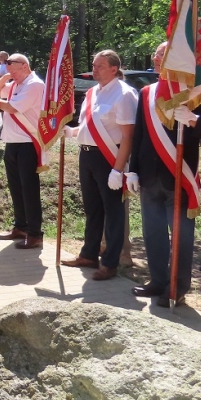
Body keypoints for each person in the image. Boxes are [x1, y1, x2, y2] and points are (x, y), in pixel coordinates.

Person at [126, 42, 201, 306]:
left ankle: (178, 286)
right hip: (149, 176)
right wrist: (133, 171)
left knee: (181, 236)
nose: (156, 58)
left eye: (163, 55)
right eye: (156, 54)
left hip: (179, 175)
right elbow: (139, 135)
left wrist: (192, 119)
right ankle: (157, 280)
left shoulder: (195, 92)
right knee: (153, 233)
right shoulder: (146, 93)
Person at [61, 50, 137, 281]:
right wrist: (71, 132)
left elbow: (128, 136)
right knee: (92, 208)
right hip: (87, 156)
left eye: (100, 66)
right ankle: (89, 254)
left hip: (109, 158)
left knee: (113, 212)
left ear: (114, 69)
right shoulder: (92, 92)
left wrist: (118, 169)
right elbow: (89, 126)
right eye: (94, 65)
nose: (95, 69)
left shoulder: (124, 94)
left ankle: (110, 262)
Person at [0, 54, 46, 249]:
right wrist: (4, 78)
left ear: (24, 66)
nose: (12, 75)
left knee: (29, 189)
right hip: (13, 142)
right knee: (16, 188)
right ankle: (21, 226)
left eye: (14, 72)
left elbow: (11, 107)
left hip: (27, 143)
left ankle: (35, 233)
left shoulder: (34, 84)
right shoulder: (17, 84)